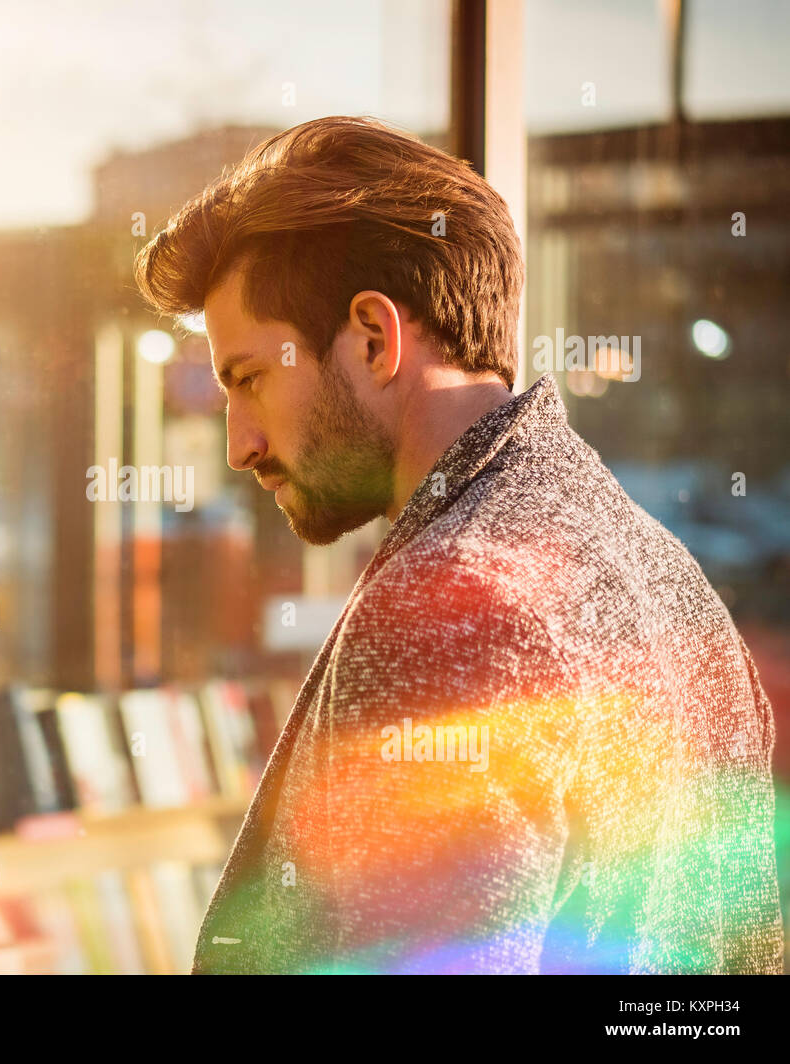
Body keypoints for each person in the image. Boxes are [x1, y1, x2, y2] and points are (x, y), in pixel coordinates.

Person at [133, 115, 783, 974]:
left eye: (249, 379)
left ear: (373, 336)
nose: (239, 444)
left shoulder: (455, 603)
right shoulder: (659, 570)